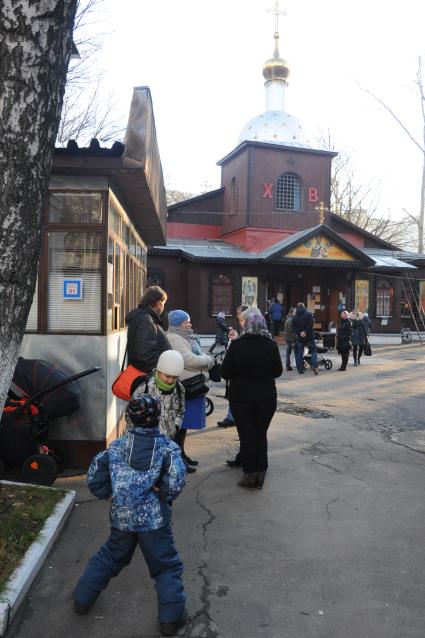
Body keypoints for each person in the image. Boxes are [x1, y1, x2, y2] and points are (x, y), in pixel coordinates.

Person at [73, 395, 187, 637]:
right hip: (154, 522)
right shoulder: (167, 448)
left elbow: (94, 475)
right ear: (157, 418)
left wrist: (108, 494)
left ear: (130, 418)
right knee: (165, 566)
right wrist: (163, 492)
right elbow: (177, 480)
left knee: (111, 556)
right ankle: (170, 620)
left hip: (122, 518)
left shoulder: (116, 447)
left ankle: (82, 599)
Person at [220, 311, 283, 489]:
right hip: (266, 397)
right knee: (260, 434)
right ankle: (260, 474)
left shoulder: (237, 345)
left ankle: (249, 475)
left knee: (247, 435)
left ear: (246, 325)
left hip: (241, 398)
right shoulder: (271, 345)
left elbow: (225, 372)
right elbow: (277, 371)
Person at [166, 310, 213, 469]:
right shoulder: (174, 338)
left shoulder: (184, 337)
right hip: (185, 385)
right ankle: (177, 460)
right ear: (178, 324)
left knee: (184, 425)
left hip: (191, 385)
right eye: (187, 322)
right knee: (179, 425)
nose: (190, 324)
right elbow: (189, 360)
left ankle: (182, 454)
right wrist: (208, 360)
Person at [131, 350, 185, 440]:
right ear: (159, 371)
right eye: (167, 376)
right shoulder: (145, 387)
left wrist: (176, 426)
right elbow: (130, 414)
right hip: (145, 441)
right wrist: (137, 437)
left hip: (168, 440)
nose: (171, 380)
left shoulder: (180, 389)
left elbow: (181, 410)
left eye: (175, 377)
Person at [125, 286, 170, 374]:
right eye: (163, 304)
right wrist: (161, 371)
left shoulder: (144, 317)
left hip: (144, 374)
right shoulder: (145, 319)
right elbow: (146, 353)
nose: (163, 307)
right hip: (147, 377)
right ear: (159, 304)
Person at [217, 305, 248, 429]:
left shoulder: (247, 328)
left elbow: (243, 347)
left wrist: (235, 341)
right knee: (234, 394)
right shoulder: (243, 327)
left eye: (239, 313)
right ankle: (231, 417)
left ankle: (232, 418)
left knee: (235, 395)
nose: (237, 315)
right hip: (237, 370)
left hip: (240, 371)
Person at [292, 302, 318, 375]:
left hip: (300, 338)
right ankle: (314, 365)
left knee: (300, 353)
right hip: (309, 336)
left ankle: (300, 370)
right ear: (304, 307)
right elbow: (311, 324)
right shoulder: (309, 314)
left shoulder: (294, 317)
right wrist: (305, 332)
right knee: (313, 351)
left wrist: (300, 333)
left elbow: (294, 328)